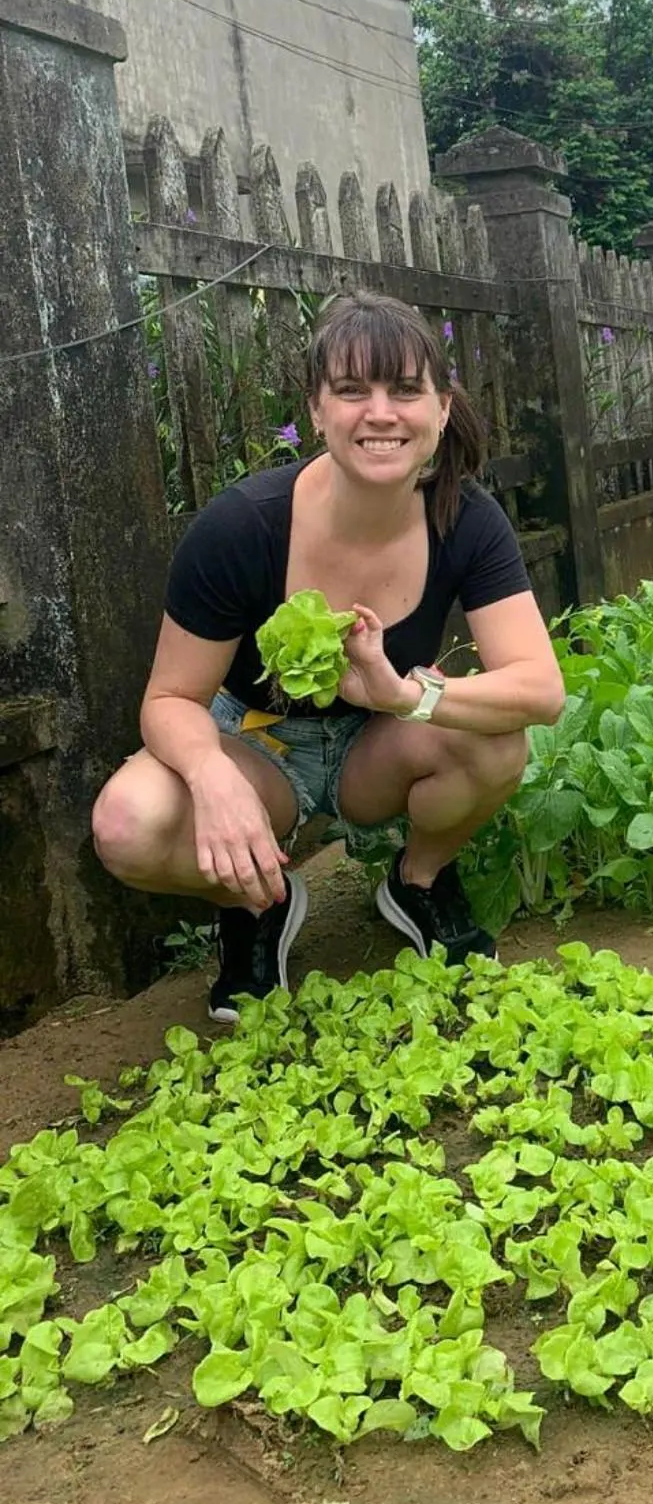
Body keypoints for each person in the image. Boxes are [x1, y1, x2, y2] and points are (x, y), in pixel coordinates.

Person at [92, 290, 565, 1020]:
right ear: (316, 410)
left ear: (442, 409)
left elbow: (540, 690)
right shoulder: (242, 528)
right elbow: (167, 701)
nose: (380, 412)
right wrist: (211, 775)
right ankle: (255, 901)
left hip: (380, 746)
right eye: (351, 390)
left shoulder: (466, 519)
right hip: (257, 744)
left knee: (497, 740)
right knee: (128, 821)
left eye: (405, 389)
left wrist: (409, 697)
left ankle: (419, 878)